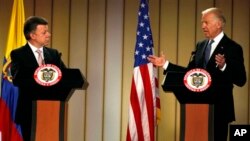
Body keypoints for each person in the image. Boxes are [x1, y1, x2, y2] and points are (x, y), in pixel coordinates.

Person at [148, 7, 246, 141]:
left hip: (219, 111)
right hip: (195, 109)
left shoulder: (233, 48)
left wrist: (224, 66)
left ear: (219, 24)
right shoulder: (201, 45)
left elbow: (241, 80)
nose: (202, 26)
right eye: (202, 23)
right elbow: (190, 74)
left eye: (206, 22)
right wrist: (166, 64)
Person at [10, 16, 66, 141]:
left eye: (48, 31)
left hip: (52, 109)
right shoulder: (18, 54)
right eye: (44, 32)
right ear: (32, 35)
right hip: (29, 111)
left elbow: (65, 76)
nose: (49, 35)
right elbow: (17, 78)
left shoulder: (53, 54)